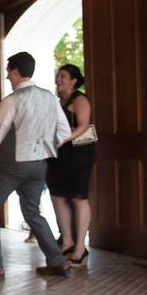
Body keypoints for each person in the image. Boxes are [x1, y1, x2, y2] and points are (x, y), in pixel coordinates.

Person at [0, 52, 73, 281]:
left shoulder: (12, 100)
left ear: (14, 71)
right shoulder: (49, 98)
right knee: (33, 213)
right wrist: (42, 148)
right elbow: (65, 132)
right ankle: (58, 262)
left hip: (13, 166)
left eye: (8, 72)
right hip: (39, 165)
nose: (7, 76)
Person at [47, 64, 96, 266]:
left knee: (78, 198)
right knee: (57, 195)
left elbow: (84, 124)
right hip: (59, 154)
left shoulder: (80, 99)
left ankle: (80, 249)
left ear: (74, 80)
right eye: (58, 76)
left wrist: (63, 139)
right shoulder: (58, 101)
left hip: (79, 153)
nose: (59, 80)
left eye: (63, 76)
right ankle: (66, 241)